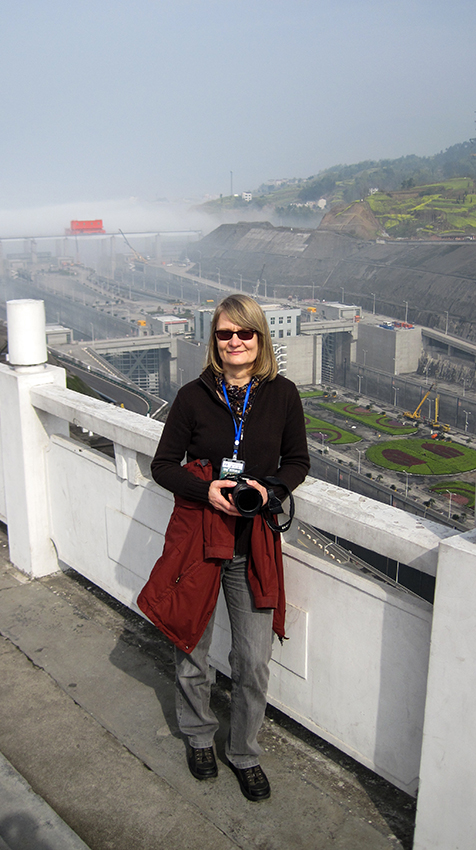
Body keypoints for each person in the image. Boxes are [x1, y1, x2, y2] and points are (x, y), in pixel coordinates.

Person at [138, 294, 310, 802]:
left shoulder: (283, 394)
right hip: (200, 540)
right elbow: (164, 465)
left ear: (260, 337)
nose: (235, 342)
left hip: (252, 543)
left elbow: (297, 460)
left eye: (244, 333)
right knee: (190, 643)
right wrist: (206, 489)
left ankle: (244, 753)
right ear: (213, 340)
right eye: (224, 334)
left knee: (252, 660)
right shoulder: (194, 396)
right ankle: (197, 737)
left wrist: (270, 490)